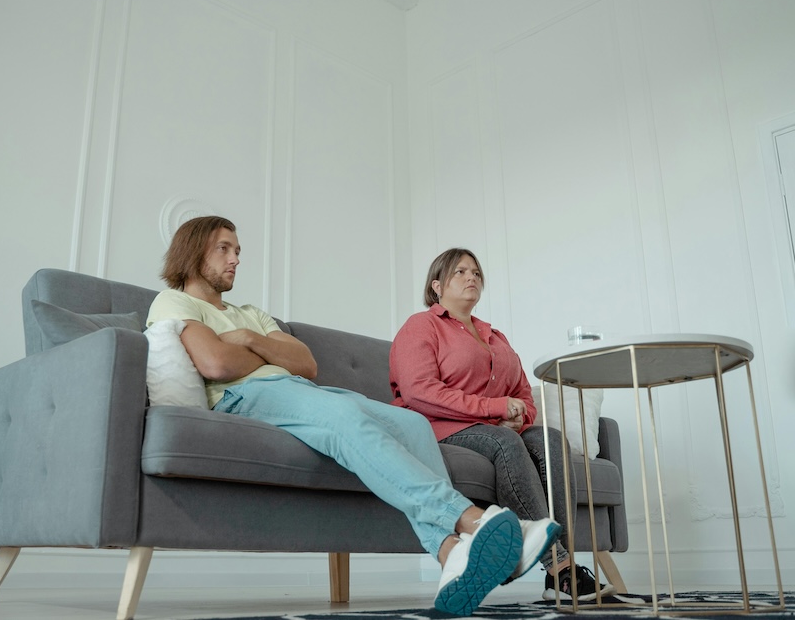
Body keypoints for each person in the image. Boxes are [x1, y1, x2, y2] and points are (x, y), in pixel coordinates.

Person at [146, 216, 559, 617]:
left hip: (301, 389)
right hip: (245, 395)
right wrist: (266, 354)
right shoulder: (174, 301)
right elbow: (216, 363)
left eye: (238, 250)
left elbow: (305, 364)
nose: (235, 258)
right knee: (341, 413)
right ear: (193, 250)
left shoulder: (251, 314)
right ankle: (474, 521)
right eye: (224, 248)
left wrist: (250, 340)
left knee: (412, 424)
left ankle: (450, 555)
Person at [389, 248, 617, 602]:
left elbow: (523, 394)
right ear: (437, 286)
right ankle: (559, 567)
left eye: (477, 273)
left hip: (493, 426)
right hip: (440, 428)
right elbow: (420, 392)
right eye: (460, 272)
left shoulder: (496, 337)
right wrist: (495, 409)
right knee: (503, 443)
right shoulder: (421, 326)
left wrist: (518, 414)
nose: (472, 278)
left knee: (552, 441)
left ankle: (564, 570)